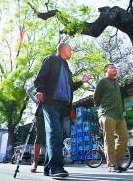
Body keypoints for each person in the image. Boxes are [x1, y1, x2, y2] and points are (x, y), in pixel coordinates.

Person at [34, 42, 90, 178]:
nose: (71, 52)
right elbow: (41, 77)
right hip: (50, 102)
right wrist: (39, 90)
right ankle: (56, 168)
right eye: (70, 49)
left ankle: (48, 167)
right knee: (55, 132)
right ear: (63, 49)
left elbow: (70, 87)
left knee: (55, 134)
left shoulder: (67, 68)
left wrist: (81, 82)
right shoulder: (51, 59)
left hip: (62, 106)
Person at [93, 64, 129, 173]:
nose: (115, 69)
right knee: (109, 140)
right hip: (107, 113)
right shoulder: (103, 81)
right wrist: (103, 108)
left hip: (119, 115)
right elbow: (96, 97)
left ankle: (117, 163)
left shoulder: (116, 83)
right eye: (112, 67)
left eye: (115, 68)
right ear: (106, 70)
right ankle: (112, 165)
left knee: (124, 137)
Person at [30, 105, 46, 173]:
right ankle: (35, 162)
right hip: (40, 112)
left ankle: (51, 164)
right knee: (39, 135)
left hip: (54, 109)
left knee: (52, 136)